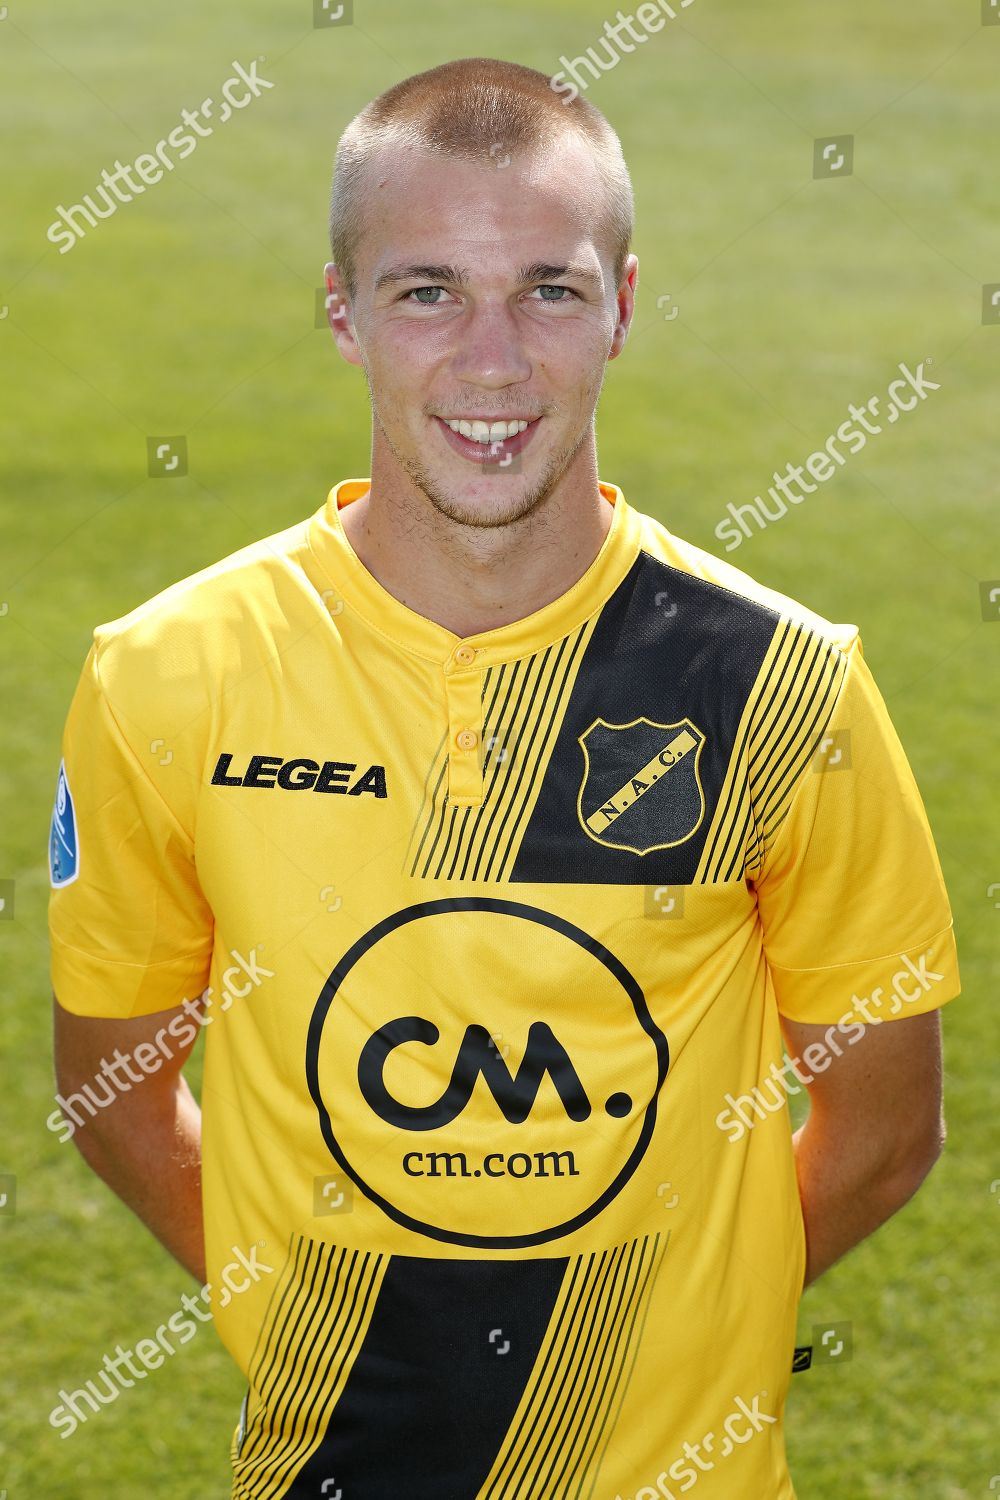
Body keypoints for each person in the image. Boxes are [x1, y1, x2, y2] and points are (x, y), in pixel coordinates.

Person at [48, 56, 960, 1500]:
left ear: (624, 306)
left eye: (549, 289)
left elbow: (887, 1133)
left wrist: (681, 1323)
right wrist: (303, 1307)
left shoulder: (783, 683)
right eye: (428, 292)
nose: (493, 362)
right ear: (342, 312)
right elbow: (114, 1087)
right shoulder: (168, 672)